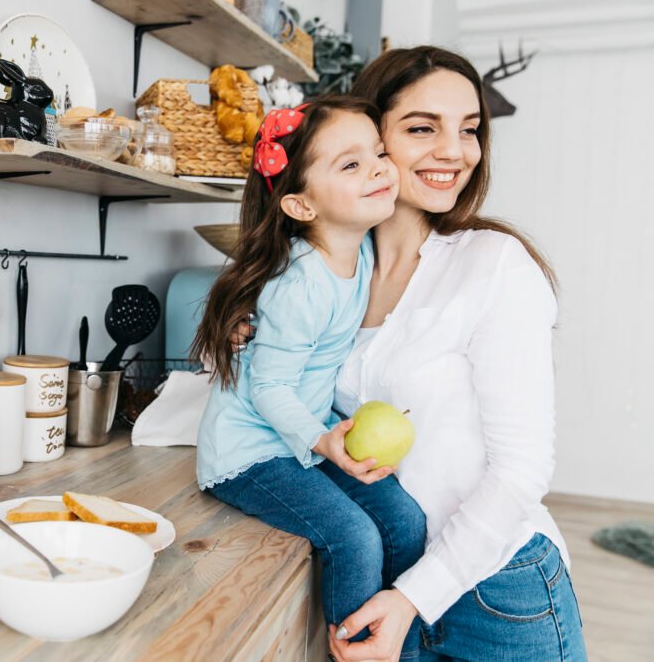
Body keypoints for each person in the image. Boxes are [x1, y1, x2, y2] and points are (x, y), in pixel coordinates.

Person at [235, 47, 586, 661]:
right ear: (372, 137)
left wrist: (414, 597)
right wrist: (250, 334)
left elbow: (522, 471)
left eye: (470, 129)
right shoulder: (328, 279)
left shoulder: (492, 266)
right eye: (423, 128)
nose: (455, 150)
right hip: (389, 580)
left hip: (498, 594)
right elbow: (284, 390)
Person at [192, 95, 428, 657]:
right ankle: (351, 652)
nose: (377, 169)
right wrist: (324, 438)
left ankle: (401, 649)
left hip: (304, 434)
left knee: (405, 518)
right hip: (248, 453)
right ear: (300, 206)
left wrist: (323, 434)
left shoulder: (364, 249)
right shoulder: (301, 284)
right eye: (350, 165)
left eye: (376, 153)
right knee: (354, 536)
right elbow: (267, 387)